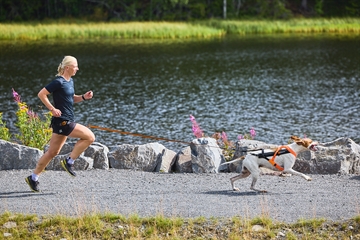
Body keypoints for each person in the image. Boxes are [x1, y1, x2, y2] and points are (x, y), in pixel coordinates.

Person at [25, 56, 95, 192]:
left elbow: (71, 99)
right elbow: (41, 94)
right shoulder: (58, 82)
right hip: (63, 121)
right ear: (67, 67)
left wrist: (83, 97)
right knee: (90, 137)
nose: (77, 68)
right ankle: (69, 162)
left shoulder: (70, 81)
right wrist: (52, 109)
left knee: (52, 152)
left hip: (63, 121)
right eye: (75, 66)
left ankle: (33, 178)